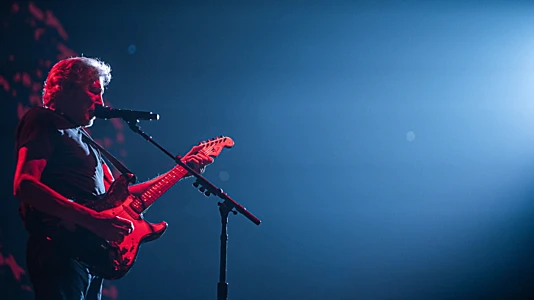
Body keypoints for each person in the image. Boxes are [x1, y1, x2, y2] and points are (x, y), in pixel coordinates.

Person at [12, 56, 214, 300]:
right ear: (66, 89)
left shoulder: (85, 140)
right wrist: (94, 221)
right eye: (94, 92)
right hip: (59, 249)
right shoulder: (43, 120)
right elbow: (25, 185)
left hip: (88, 254)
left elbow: (123, 199)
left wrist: (181, 169)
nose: (101, 102)